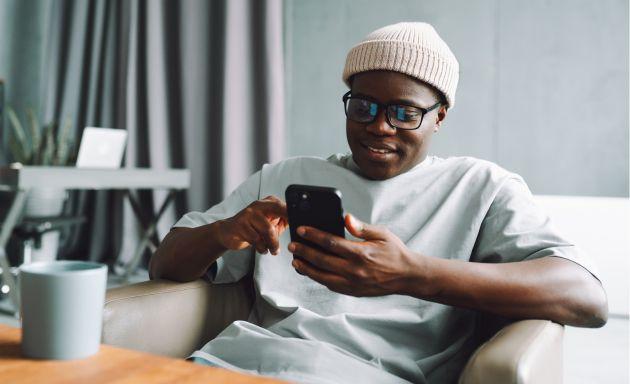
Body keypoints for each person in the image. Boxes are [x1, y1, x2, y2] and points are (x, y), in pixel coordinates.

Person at [150, 22, 607, 384]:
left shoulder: (480, 186)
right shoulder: (284, 177)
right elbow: (164, 266)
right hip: (224, 366)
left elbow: (586, 298)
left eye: (404, 113)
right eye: (363, 106)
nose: (380, 127)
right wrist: (220, 233)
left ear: (439, 116)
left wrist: (410, 273)